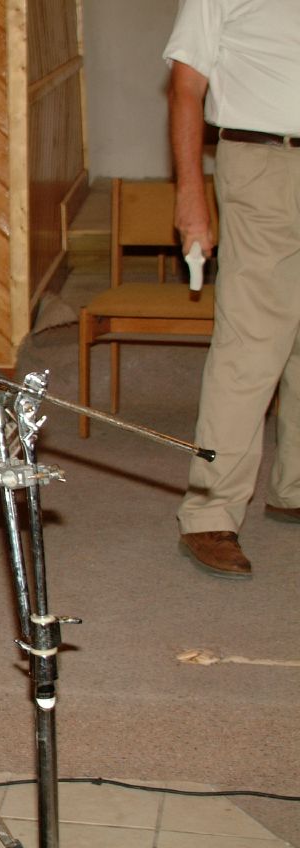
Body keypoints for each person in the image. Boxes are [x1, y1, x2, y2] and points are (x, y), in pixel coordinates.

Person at [165, 0, 300, 579]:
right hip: (265, 161)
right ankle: (210, 513)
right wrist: (191, 193)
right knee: (252, 341)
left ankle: (293, 487)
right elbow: (186, 87)